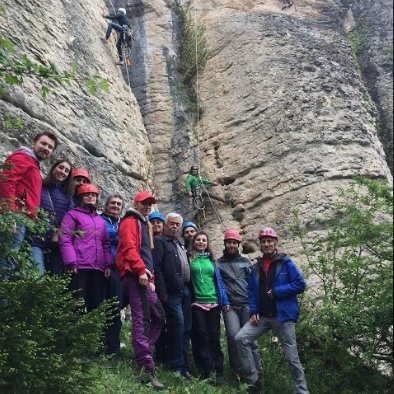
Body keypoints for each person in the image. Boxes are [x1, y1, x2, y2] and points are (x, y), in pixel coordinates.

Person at [235, 227, 308, 394]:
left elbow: (300, 284)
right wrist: (253, 311)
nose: (267, 244)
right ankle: (254, 382)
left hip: (282, 316)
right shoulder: (255, 267)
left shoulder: (286, 262)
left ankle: (302, 391)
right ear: (260, 245)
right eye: (263, 241)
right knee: (241, 338)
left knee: (292, 357)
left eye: (269, 241)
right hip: (262, 317)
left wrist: (278, 291)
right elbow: (252, 291)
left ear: (275, 243)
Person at [117, 191, 165, 390]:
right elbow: (129, 248)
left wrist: (150, 276)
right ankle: (147, 365)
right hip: (135, 275)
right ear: (135, 203)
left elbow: (145, 252)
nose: (147, 206)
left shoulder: (143, 222)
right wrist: (140, 272)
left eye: (150, 204)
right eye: (144, 203)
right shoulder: (129, 220)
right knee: (141, 319)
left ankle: (141, 352)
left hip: (145, 276)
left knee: (159, 316)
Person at [0, 132, 58, 271]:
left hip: (21, 218)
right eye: (43, 144)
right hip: (15, 216)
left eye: (50, 147)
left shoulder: (34, 164)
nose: (46, 148)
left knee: (8, 260)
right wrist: (10, 213)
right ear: (33, 144)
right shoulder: (23, 157)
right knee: (7, 261)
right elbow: (6, 181)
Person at [59, 184, 113, 313]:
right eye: (87, 194)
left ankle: (92, 333)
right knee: (76, 304)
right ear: (81, 197)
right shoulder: (72, 215)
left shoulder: (100, 220)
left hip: (98, 269)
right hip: (79, 267)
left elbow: (105, 243)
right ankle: (74, 332)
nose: (91, 197)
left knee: (95, 306)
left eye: (93, 195)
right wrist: (71, 262)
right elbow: (65, 238)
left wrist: (108, 264)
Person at [217, 229, 262, 380]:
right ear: (225, 244)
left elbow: (253, 284)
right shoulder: (220, 263)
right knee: (232, 336)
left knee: (251, 338)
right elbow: (220, 284)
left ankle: (257, 370)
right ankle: (237, 370)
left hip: (247, 304)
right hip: (230, 307)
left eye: (234, 243)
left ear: (238, 244)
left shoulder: (245, 261)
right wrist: (224, 301)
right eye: (229, 242)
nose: (231, 245)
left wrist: (255, 306)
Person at [153, 213, 192, 378]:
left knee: (185, 327)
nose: (174, 226)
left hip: (184, 290)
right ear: (166, 225)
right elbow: (157, 267)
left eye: (177, 224)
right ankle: (176, 364)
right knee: (177, 325)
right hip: (170, 292)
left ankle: (183, 364)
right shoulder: (161, 241)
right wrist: (162, 292)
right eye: (172, 224)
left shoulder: (179, 244)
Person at [190, 231, 229, 385]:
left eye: (203, 240)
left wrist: (223, 300)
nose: (201, 242)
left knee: (214, 337)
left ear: (207, 243)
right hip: (197, 302)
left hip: (213, 302)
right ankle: (206, 371)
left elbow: (219, 282)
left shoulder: (212, 260)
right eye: (198, 240)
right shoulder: (189, 258)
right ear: (194, 242)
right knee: (202, 336)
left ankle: (219, 370)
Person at [31, 159, 74, 275]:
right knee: (37, 278)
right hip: (35, 240)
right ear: (53, 168)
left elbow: (68, 221)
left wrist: (58, 233)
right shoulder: (40, 186)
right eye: (60, 167)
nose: (63, 172)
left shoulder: (68, 196)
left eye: (66, 171)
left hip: (54, 245)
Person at [101, 194, 124, 356]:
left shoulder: (122, 223)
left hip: (117, 269)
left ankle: (113, 347)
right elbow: (102, 235)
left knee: (114, 308)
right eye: (113, 203)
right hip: (99, 267)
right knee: (97, 304)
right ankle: (97, 342)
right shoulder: (99, 219)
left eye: (119, 204)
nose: (115, 206)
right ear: (106, 205)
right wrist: (118, 235)